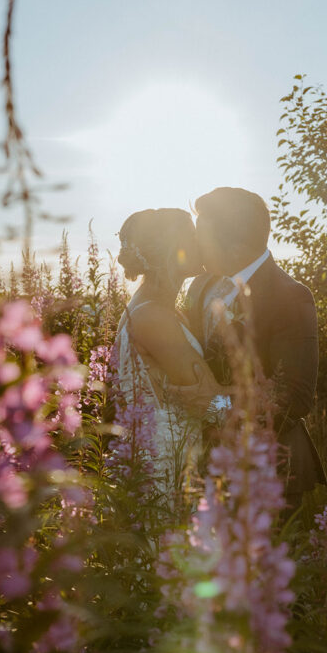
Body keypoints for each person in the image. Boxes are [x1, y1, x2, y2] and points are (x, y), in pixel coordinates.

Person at [184, 187, 326, 507]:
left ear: (237, 248)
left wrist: (215, 404)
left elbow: (293, 397)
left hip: (269, 471)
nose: (196, 246)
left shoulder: (290, 296)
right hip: (207, 465)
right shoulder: (201, 285)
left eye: (203, 237)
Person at [113, 208, 230, 503]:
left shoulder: (155, 307)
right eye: (192, 235)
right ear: (172, 249)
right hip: (167, 478)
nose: (200, 240)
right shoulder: (154, 317)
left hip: (176, 465)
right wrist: (259, 396)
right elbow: (212, 405)